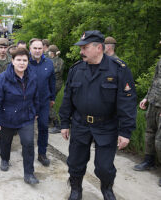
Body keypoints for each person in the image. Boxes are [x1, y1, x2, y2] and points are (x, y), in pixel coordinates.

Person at [59, 30, 137, 200]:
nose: (81, 51)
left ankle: (107, 189)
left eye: (85, 48)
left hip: (106, 125)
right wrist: (64, 122)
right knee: (75, 162)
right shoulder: (76, 69)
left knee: (104, 167)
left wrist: (125, 132)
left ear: (99, 48)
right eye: (81, 48)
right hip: (80, 123)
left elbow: (127, 102)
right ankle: (76, 189)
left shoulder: (118, 69)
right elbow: (67, 98)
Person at [0, 48, 39, 184]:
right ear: (12, 61)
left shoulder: (33, 76)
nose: (21, 63)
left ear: (28, 62)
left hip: (26, 117)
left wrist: (35, 111)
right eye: (18, 60)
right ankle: (5, 159)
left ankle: (29, 174)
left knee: (28, 144)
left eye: (24, 60)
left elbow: (36, 96)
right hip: (7, 117)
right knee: (6, 142)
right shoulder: (3, 78)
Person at [133, 40, 161, 187]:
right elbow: (155, 80)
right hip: (153, 103)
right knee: (149, 133)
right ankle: (149, 161)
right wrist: (146, 97)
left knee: (160, 141)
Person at [29, 38, 55, 167]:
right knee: (27, 129)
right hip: (27, 102)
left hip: (44, 101)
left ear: (43, 49)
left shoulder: (49, 63)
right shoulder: (25, 62)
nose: (38, 51)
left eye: (40, 48)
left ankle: (42, 154)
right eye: (35, 48)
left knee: (44, 127)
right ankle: (27, 152)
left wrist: (53, 98)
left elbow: (52, 82)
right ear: (30, 49)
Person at [0, 38, 12, 156]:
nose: (3, 50)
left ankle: (7, 141)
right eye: (1, 47)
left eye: (5, 48)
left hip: (9, 95)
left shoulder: (12, 60)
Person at [48, 45, 65, 134]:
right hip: (55, 84)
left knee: (48, 104)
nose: (48, 53)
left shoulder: (55, 61)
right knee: (49, 103)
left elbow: (52, 71)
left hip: (54, 84)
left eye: (49, 52)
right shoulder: (58, 60)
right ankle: (49, 121)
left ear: (52, 53)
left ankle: (57, 125)